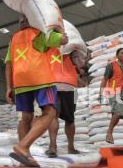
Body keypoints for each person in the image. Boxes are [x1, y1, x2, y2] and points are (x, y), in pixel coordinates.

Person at [5, 15, 67, 167]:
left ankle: (24, 161)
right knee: (50, 112)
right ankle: (23, 146)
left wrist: (8, 87)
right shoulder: (40, 33)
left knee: (25, 117)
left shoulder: (14, 38)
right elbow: (63, 40)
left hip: (20, 81)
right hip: (41, 79)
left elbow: (8, 63)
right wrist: (59, 28)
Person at [46, 51, 85, 157]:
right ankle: (70, 147)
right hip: (69, 86)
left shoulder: (48, 47)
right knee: (70, 119)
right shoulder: (73, 49)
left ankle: (53, 147)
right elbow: (81, 64)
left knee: (54, 116)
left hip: (53, 84)